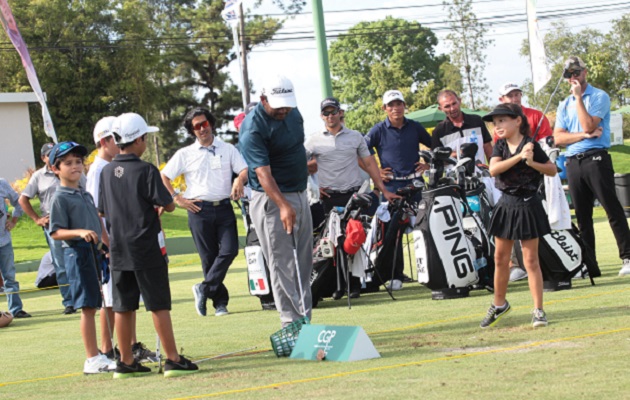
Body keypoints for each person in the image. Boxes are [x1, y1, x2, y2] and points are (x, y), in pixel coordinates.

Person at [98, 113, 198, 378]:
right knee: (158, 303)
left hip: (119, 248)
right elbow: (167, 204)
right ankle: (173, 359)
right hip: (145, 245)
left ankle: (126, 361)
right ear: (139, 139)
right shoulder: (146, 170)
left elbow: (104, 211)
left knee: (123, 305)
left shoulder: (106, 171)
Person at [305, 97, 400, 298]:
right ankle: (335, 285)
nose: (330, 116)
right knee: (332, 242)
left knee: (354, 240)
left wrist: (382, 188)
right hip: (329, 197)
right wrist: (314, 185)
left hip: (354, 196)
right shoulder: (313, 140)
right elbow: (298, 165)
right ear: (322, 116)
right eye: (326, 113)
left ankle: (354, 285)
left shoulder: (355, 136)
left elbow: (369, 163)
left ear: (340, 112)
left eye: (333, 112)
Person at [238, 75, 313, 327]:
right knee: (281, 264)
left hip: (300, 193)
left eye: (287, 104)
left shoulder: (292, 113)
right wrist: (283, 205)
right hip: (272, 201)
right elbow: (262, 173)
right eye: (278, 105)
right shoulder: (252, 128)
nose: (284, 109)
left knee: (304, 261)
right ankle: (290, 325)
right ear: (263, 99)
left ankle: (306, 321)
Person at [161, 108, 247, 317]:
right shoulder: (185, 154)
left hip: (224, 207)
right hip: (199, 209)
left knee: (230, 250)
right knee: (208, 258)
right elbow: (163, 176)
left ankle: (204, 288)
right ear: (192, 131)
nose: (202, 129)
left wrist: (238, 179)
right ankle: (220, 303)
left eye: (204, 123)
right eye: (197, 126)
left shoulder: (227, 149)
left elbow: (244, 169)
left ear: (211, 123)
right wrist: (177, 198)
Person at [480, 103, 557, 328]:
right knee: (500, 259)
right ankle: (499, 304)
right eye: (495, 123)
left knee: (530, 260)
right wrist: (518, 157)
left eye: (502, 120)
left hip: (528, 204)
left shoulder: (531, 145)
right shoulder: (500, 146)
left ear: (518, 121)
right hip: (506, 204)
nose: (498, 126)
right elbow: (493, 169)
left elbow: (551, 170)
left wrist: (532, 161)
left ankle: (539, 310)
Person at [86, 116, 156, 363]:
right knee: (113, 300)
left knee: (126, 299)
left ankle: (130, 345)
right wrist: (106, 244)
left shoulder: (112, 167)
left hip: (118, 243)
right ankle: (108, 349)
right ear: (106, 141)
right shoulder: (99, 170)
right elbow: (96, 213)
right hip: (111, 245)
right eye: (116, 138)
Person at [553, 56, 630, 276]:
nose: (573, 78)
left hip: (596, 158)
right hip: (573, 162)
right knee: (583, 215)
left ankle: (627, 256)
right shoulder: (563, 104)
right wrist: (582, 136)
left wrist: (578, 99)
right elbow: (557, 138)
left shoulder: (599, 96)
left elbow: (588, 124)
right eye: (569, 74)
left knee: (611, 208)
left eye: (576, 73)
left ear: (585, 72)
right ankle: (590, 263)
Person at [48, 141, 116, 374]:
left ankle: (102, 354)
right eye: (68, 163)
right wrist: (79, 232)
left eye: (78, 162)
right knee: (87, 306)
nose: (75, 166)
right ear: (55, 169)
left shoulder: (84, 193)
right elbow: (56, 231)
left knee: (96, 303)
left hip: (93, 253)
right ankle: (92, 358)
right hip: (76, 254)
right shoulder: (60, 197)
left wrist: (105, 247)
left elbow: (98, 223)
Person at [364, 89, 431, 290]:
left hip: (415, 185)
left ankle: (429, 271)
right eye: (391, 105)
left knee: (425, 228)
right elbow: (361, 153)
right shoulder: (378, 130)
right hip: (392, 186)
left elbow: (435, 146)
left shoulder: (415, 127)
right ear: (385, 108)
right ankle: (395, 274)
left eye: (399, 103)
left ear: (404, 105)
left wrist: (427, 165)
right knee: (394, 232)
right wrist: (375, 173)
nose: (396, 108)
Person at [496, 83, 554, 282]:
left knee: (532, 254)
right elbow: (497, 164)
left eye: (517, 94)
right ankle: (514, 267)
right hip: (508, 192)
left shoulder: (536, 115)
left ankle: (553, 263)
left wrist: (531, 160)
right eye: (510, 95)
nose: (515, 98)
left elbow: (549, 149)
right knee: (501, 253)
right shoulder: (500, 135)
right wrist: (519, 157)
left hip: (532, 187)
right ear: (502, 98)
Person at [19, 143, 85, 314]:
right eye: (49, 154)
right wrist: (37, 219)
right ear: (43, 158)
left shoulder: (71, 169)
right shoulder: (38, 176)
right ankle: (69, 302)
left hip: (76, 222)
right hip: (53, 224)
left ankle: (83, 298)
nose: (53, 155)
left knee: (80, 260)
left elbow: (86, 192)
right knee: (60, 264)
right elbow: (23, 199)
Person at [432, 90, 493, 164]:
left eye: (454, 103)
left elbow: (487, 147)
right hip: (454, 175)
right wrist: (459, 153)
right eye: (447, 106)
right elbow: (437, 159)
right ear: (440, 109)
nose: (452, 108)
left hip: (480, 174)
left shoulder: (476, 120)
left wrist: (493, 168)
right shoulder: (439, 131)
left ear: (459, 101)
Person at [0, 177, 30, 318]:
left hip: (4, 241)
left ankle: (16, 309)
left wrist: (13, 221)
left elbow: (18, 203)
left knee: (9, 278)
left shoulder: (2, 183)